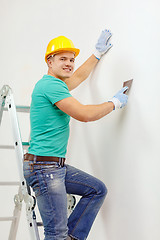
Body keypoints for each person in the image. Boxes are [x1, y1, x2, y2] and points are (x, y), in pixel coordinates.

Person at [23, 29, 128, 240]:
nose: (69, 63)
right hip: (44, 168)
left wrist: (96, 54)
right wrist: (113, 103)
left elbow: (78, 75)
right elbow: (84, 114)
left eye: (71, 59)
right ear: (49, 61)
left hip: (52, 166)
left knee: (96, 190)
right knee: (55, 233)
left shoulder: (56, 84)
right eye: (63, 59)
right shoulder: (50, 85)